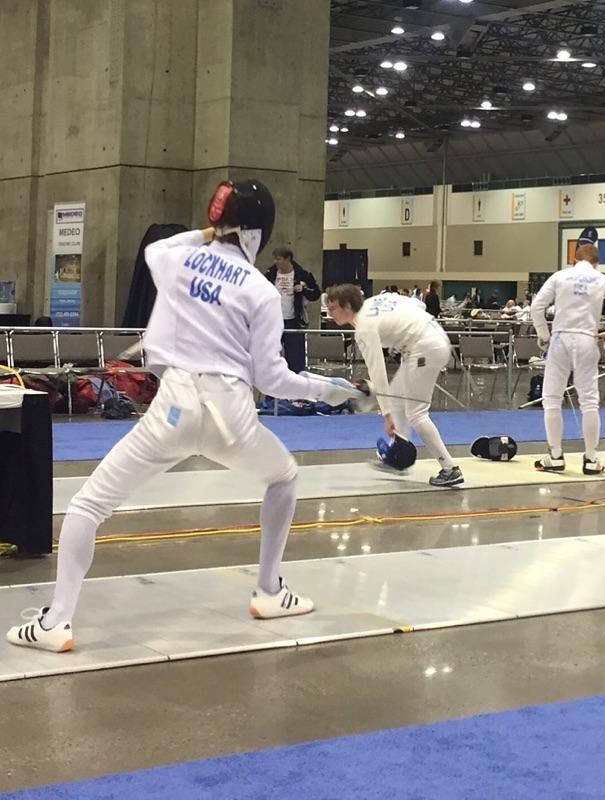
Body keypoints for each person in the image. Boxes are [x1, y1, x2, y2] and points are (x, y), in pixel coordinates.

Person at [7, 179, 362, 653]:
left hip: (171, 412)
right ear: (260, 232)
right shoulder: (260, 290)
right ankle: (270, 592)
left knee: (88, 506)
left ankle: (56, 624)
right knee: (283, 477)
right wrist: (327, 389)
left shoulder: (175, 258)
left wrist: (209, 232)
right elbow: (274, 380)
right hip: (231, 420)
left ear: (217, 222)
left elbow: (158, 246)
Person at [326, 284, 463, 487]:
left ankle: (450, 468)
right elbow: (418, 305)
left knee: (416, 413)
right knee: (398, 398)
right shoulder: (374, 303)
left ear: (347, 306)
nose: (329, 314)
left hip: (423, 348)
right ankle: (397, 455)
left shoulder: (364, 327)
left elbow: (378, 372)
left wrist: (386, 414)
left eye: (333, 308)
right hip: (433, 339)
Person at [531, 242, 605, 475]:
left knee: (552, 399)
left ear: (574, 259)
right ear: (596, 262)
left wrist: (543, 335)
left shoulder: (560, 276)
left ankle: (555, 456)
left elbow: (537, 307)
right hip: (587, 340)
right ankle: (591, 460)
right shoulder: (602, 279)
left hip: (560, 340)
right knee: (589, 402)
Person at [265, 248, 321, 373]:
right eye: (275, 259)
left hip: (294, 320)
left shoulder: (303, 274)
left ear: (288, 259)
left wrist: (303, 289)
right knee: (271, 356)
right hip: (274, 320)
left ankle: (297, 387)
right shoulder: (270, 274)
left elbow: (316, 294)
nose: (276, 262)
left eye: (278, 259)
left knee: (295, 359)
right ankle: (272, 389)